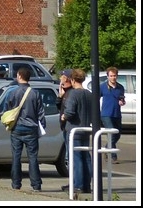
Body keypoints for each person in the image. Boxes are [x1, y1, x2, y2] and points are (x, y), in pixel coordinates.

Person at [5, 65, 45, 193]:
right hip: (31, 128)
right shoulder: (35, 93)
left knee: (16, 156)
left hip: (17, 128)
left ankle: (16, 183)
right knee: (33, 157)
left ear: (19, 76)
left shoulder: (13, 92)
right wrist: (42, 126)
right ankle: (36, 184)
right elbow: (40, 112)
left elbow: (7, 110)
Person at [63, 68, 94, 197]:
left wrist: (64, 116)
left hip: (74, 129)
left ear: (72, 79)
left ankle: (78, 185)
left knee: (76, 159)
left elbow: (70, 112)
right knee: (86, 157)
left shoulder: (73, 94)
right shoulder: (89, 94)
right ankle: (87, 184)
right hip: (86, 129)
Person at [98, 66, 125, 161]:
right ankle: (113, 156)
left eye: (114, 76)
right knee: (111, 133)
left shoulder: (120, 87)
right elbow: (96, 98)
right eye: (111, 76)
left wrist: (122, 102)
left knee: (117, 134)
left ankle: (106, 147)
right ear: (107, 76)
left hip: (117, 114)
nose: (113, 77)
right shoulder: (102, 87)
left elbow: (122, 99)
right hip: (106, 114)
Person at [57, 70, 74, 169]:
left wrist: (65, 116)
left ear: (67, 78)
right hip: (64, 127)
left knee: (70, 154)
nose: (60, 79)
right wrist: (60, 96)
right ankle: (72, 181)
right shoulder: (65, 92)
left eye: (62, 77)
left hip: (70, 127)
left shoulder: (72, 92)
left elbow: (69, 110)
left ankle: (74, 181)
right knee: (69, 152)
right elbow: (59, 107)